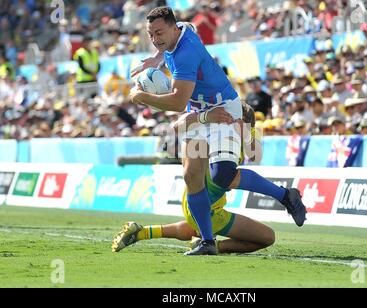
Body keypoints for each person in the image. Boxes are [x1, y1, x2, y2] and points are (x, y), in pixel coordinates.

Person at [128, 7, 306, 256]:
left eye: (159, 33)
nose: (156, 39)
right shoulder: (182, 31)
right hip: (198, 113)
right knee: (191, 176)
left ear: (172, 27)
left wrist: (141, 97)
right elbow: (188, 26)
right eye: (151, 35)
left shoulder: (184, 55)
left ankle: (286, 195)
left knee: (222, 174)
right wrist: (157, 57)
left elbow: (177, 104)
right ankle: (208, 242)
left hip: (222, 108)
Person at [112, 103, 275, 254]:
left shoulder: (232, 132)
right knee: (268, 237)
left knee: (198, 227)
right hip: (207, 205)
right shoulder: (216, 135)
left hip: (197, 200)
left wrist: (246, 133)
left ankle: (142, 232)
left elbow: (256, 155)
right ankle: (212, 245)